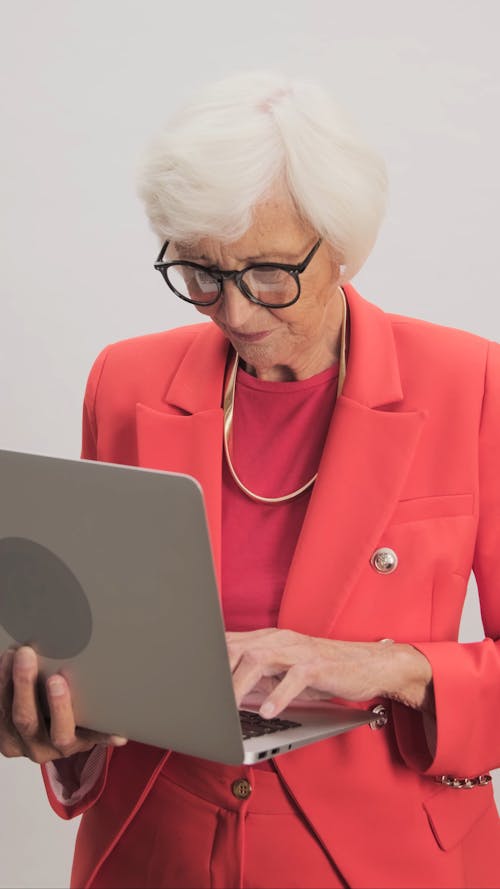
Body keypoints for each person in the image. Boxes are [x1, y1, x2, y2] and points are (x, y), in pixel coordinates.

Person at [1, 70, 499, 889]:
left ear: (341, 244)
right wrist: (55, 715)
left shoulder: (472, 383)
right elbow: (94, 638)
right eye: (200, 272)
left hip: (382, 862)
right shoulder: (124, 382)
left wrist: (389, 665)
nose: (233, 312)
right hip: (151, 852)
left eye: (270, 273)